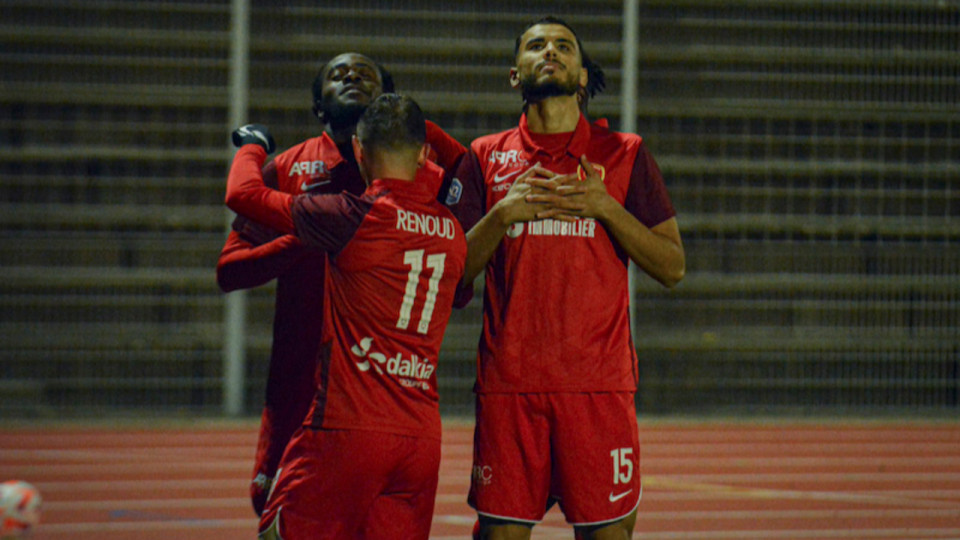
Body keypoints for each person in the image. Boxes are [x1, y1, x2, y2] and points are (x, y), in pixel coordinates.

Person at [444, 16, 685, 540]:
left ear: (582, 76)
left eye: (563, 46)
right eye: (536, 45)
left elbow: (672, 266)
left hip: (597, 389)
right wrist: (501, 216)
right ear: (515, 74)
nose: (549, 51)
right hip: (510, 389)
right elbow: (451, 278)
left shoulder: (625, 153)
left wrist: (606, 207)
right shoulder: (482, 156)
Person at [215, 52, 465, 516]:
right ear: (318, 105)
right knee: (273, 505)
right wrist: (304, 241)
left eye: (366, 73)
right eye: (338, 74)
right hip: (302, 383)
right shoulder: (289, 169)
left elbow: (468, 191)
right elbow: (230, 271)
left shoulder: (427, 174)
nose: (352, 76)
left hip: (388, 391)